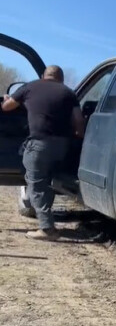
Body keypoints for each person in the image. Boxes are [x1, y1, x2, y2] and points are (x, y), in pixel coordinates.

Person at [1, 65, 85, 240]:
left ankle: (47, 229)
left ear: (43, 76)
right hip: (62, 146)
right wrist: (78, 138)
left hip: (39, 144)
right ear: (61, 79)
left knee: (36, 184)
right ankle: (45, 217)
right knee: (47, 182)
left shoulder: (30, 87)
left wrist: (9, 98)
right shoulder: (68, 93)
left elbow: (7, 107)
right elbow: (79, 122)